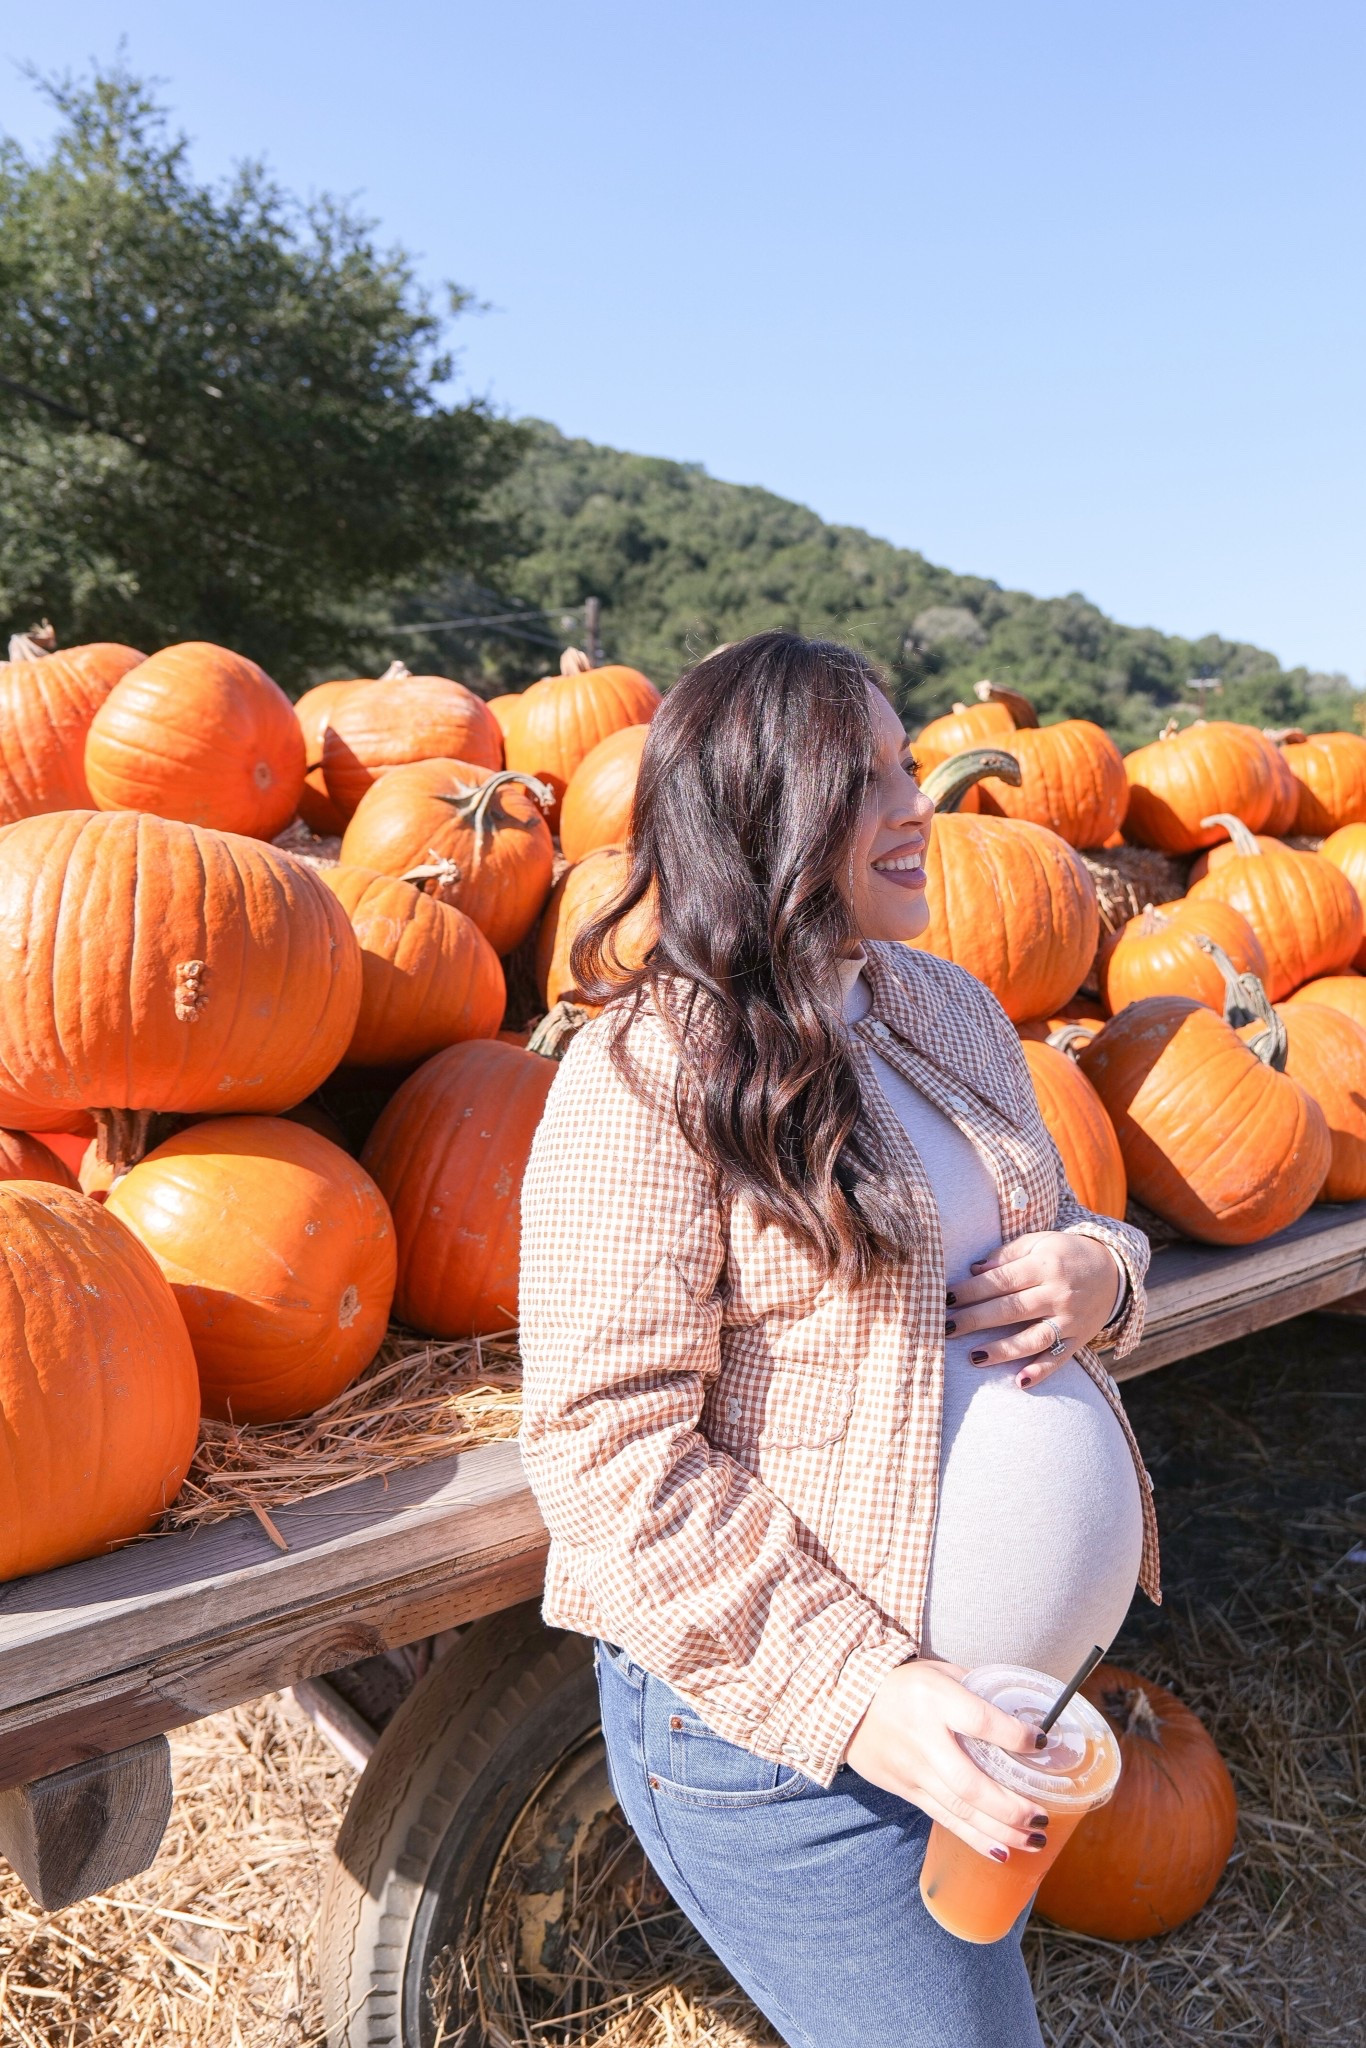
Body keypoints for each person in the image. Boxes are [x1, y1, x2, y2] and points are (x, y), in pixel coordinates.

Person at [519, 632, 1158, 2048]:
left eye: (906, 765)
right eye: (864, 776)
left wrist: (1097, 1275)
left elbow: (1071, 1233)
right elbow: (604, 1460)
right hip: (792, 1744)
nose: (917, 802)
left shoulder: (949, 1009)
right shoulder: (643, 1075)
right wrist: (863, 1694)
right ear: (764, 810)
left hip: (988, 1715)